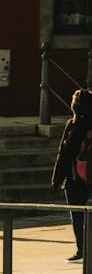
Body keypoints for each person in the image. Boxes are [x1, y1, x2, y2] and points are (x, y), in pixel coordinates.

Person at [52, 89, 92, 261]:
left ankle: (82, 250)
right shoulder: (75, 125)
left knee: (77, 217)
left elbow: (64, 153)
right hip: (79, 177)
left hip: (75, 177)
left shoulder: (73, 125)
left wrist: (56, 179)